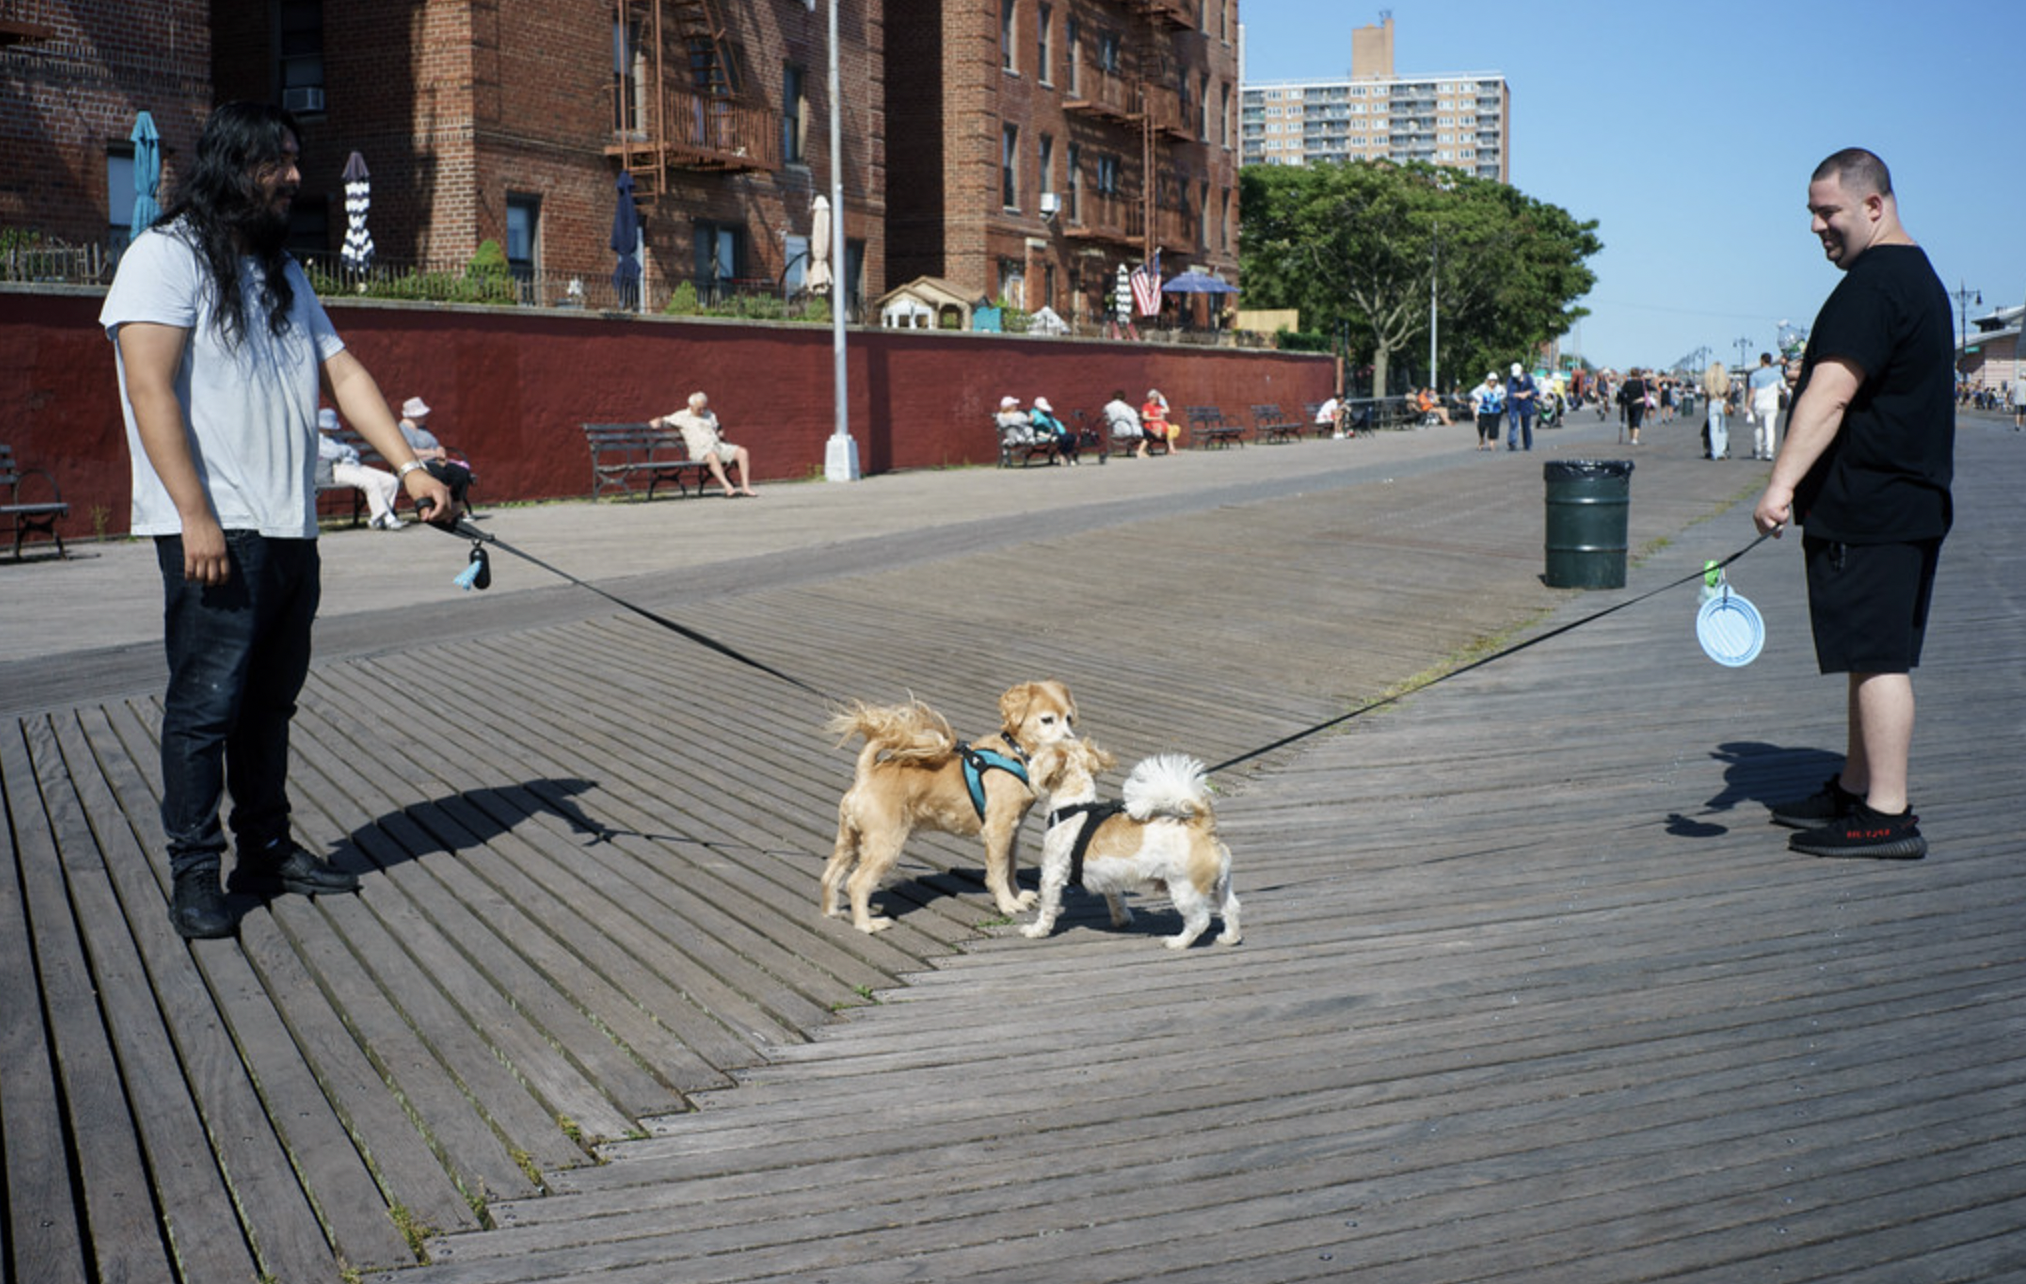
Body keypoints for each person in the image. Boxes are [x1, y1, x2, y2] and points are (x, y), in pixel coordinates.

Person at [100, 102, 457, 940]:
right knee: (205, 707)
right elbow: (148, 389)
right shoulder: (163, 257)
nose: (296, 177)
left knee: (268, 705)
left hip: (291, 528)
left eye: (296, 161)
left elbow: (348, 375)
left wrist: (411, 467)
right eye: (279, 162)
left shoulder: (281, 274)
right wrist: (194, 516)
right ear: (232, 165)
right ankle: (195, 874)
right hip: (217, 528)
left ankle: (264, 849)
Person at [1752, 147, 1954, 861]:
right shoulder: (1916, 276)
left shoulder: (1874, 287)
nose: (1815, 226)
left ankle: (1889, 815)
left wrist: (1779, 487)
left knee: (1879, 657)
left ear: (1875, 205)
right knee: (1867, 655)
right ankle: (1856, 785)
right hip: (1902, 502)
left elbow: (1829, 392)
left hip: (1877, 506)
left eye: (1827, 211)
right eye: (1812, 212)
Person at [653, 391, 758, 497]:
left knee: (742, 452)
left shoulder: (709, 414)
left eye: (704, 408)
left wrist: (720, 431)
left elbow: (717, 426)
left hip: (717, 446)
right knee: (712, 456)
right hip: (700, 451)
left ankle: (746, 487)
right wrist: (657, 421)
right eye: (699, 409)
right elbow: (663, 419)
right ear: (691, 406)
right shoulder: (682, 416)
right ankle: (728, 487)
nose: (702, 411)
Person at [317, 407, 405, 529]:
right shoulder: (315, 438)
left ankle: (377, 518)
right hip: (336, 469)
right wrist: (345, 452)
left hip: (354, 466)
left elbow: (353, 452)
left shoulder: (335, 438)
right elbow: (332, 454)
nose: (331, 429)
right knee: (371, 482)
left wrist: (345, 452)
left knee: (390, 481)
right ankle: (388, 518)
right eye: (328, 426)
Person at [1745, 352, 1786, 461]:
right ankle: (1769, 452)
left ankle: (1758, 450)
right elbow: (1784, 388)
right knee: (1770, 428)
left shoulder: (1755, 375)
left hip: (1759, 404)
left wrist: (1748, 405)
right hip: (1772, 404)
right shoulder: (1777, 374)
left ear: (1762, 361)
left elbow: (1752, 392)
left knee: (1758, 428)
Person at [1027, 395, 1079, 465]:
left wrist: (1060, 430)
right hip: (1044, 434)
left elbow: (1054, 422)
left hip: (1055, 432)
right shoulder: (1033, 414)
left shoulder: (1047, 414)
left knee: (1071, 437)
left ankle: (1063, 454)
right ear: (1037, 407)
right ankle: (1065, 456)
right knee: (1062, 438)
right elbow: (1032, 424)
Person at [1103, 389, 1148, 457]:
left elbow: (1107, 418)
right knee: (1149, 434)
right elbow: (1134, 418)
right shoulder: (1126, 407)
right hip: (1130, 429)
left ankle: (1141, 451)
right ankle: (1141, 451)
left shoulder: (1108, 407)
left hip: (1116, 430)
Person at [1702, 361, 1732, 460]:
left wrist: (1706, 405)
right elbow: (1729, 394)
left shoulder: (1709, 380)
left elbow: (1706, 394)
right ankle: (1722, 451)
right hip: (1722, 403)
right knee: (1723, 428)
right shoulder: (1725, 380)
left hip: (1712, 402)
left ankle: (1715, 452)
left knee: (1713, 429)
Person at [1469, 371, 1505, 451]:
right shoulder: (1482, 387)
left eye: (1494, 380)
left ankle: (1492, 442)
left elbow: (1504, 394)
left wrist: (1498, 399)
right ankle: (1481, 439)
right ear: (1487, 380)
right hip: (1484, 410)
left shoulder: (1499, 388)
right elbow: (1473, 392)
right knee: (1481, 426)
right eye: (1490, 380)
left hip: (1495, 410)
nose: (1492, 382)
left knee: (1493, 427)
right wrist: (1480, 399)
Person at [1505, 362, 1537, 451]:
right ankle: (1512, 442)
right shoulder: (1511, 380)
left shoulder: (1528, 378)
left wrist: (1526, 393)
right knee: (1513, 423)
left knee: (1526, 425)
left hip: (1526, 404)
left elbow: (1534, 390)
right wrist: (1518, 395)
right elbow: (1509, 393)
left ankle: (1527, 444)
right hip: (1514, 405)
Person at [1617, 367, 1649, 445]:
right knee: (1637, 420)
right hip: (1639, 402)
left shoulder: (1627, 383)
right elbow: (1644, 393)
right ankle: (1635, 438)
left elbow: (1622, 393)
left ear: (1631, 374)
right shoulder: (1641, 383)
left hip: (1630, 403)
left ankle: (1632, 437)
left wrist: (1622, 401)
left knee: (1631, 421)